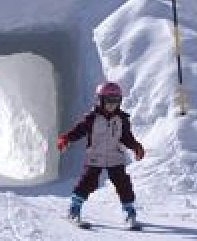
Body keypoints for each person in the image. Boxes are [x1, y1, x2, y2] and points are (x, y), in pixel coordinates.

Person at [57, 81, 146, 227]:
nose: (112, 105)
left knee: (123, 183)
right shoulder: (91, 118)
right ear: (100, 100)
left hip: (115, 157)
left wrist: (136, 147)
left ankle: (129, 212)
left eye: (115, 101)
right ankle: (74, 209)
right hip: (95, 157)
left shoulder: (122, 119)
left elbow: (126, 137)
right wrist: (66, 138)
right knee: (87, 182)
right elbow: (78, 131)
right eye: (108, 101)